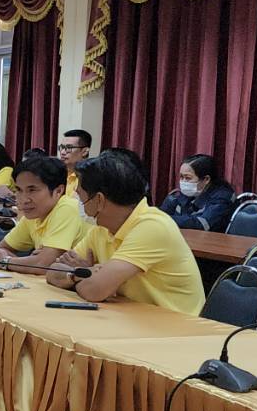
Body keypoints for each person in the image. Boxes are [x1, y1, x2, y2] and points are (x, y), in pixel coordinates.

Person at [49, 154, 205, 315]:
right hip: (131, 316)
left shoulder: (152, 226)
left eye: (80, 196)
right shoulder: (100, 229)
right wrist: (80, 274)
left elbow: (94, 291)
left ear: (99, 200)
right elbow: (52, 271)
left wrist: (86, 275)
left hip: (175, 325)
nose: (78, 202)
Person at [0, 155, 87, 273]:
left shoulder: (67, 208)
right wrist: (31, 261)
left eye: (32, 190)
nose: (24, 200)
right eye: (19, 190)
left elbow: (42, 264)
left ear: (58, 191)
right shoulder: (33, 213)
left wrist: (6, 261)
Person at [161, 152, 237, 232]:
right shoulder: (180, 194)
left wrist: (166, 219)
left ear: (206, 179)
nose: (183, 182)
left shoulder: (222, 197)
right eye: (181, 177)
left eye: (188, 178)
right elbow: (160, 215)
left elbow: (203, 224)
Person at [58, 129, 92, 194]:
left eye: (69, 148)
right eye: (62, 147)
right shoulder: (57, 174)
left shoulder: (89, 178)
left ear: (85, 151)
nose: (62, 152)